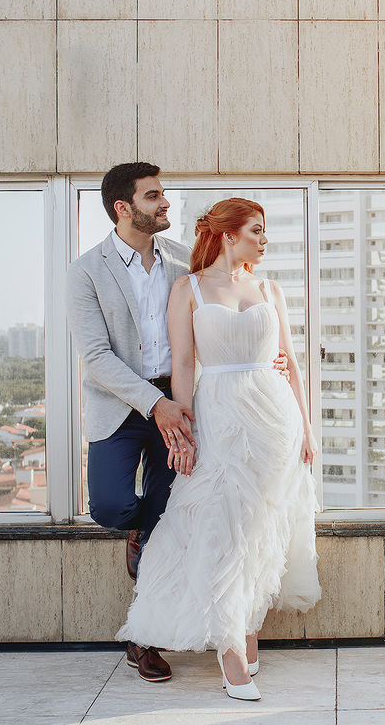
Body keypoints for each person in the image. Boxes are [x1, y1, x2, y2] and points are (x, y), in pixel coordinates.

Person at [66, 164, 287, 683]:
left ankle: (144, 640)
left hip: (184, 407)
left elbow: (209, 332)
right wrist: (154, 404)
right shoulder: (85, 271)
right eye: (154, 197)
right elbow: (96, 357)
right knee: (115, 507)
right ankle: (139, 532)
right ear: (124, 207)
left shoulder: (180, 269)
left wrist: (264, 359)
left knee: (170, 521)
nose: (165, 205)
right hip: (124, 409)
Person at [116, 197, 321, 702]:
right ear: (229, 234)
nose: (265, 239)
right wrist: (183, 430)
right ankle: (230, 650)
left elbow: (290, 363)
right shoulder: (188, 288)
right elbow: (183, 366)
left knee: (262, 529)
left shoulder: (270, 288)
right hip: (220, 418)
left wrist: (308, 429)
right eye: (257, 230)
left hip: (274, 421)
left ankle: (248, 628)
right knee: (222, 529)